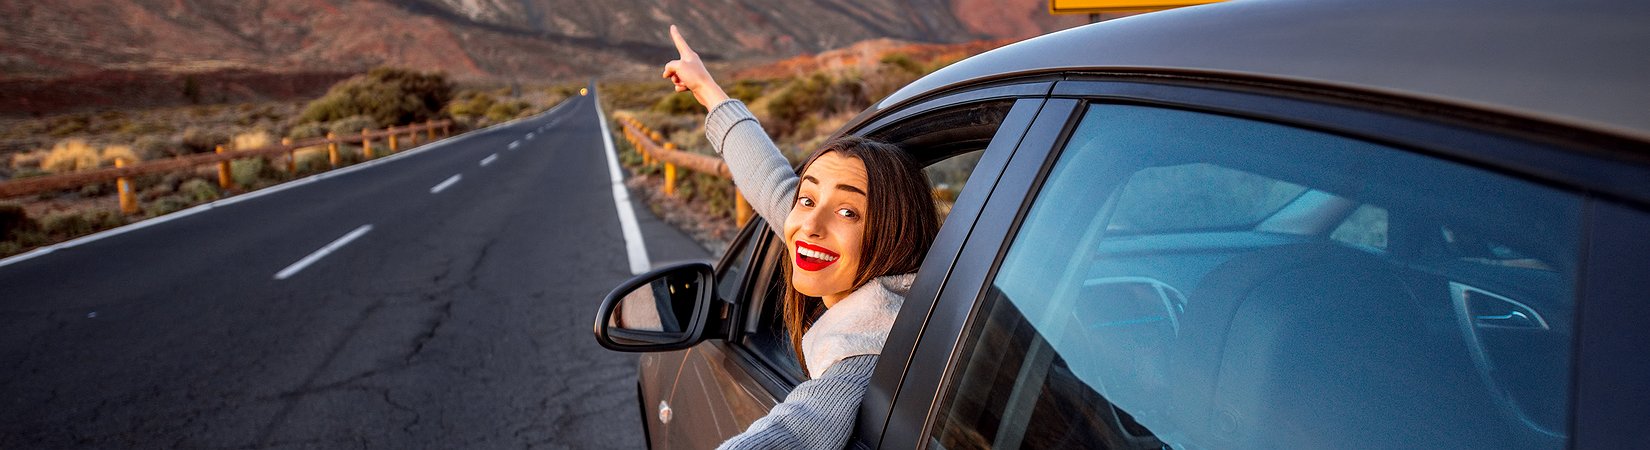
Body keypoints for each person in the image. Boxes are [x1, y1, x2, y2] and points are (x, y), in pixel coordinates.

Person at [662, 25, 941, 449]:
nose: (809, 225)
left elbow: (796, 430)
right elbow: (772, 185)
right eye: (808, 200)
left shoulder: (866, 348)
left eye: (848, 211)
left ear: (895, 231)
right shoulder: (915, 291)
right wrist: (708, 90)